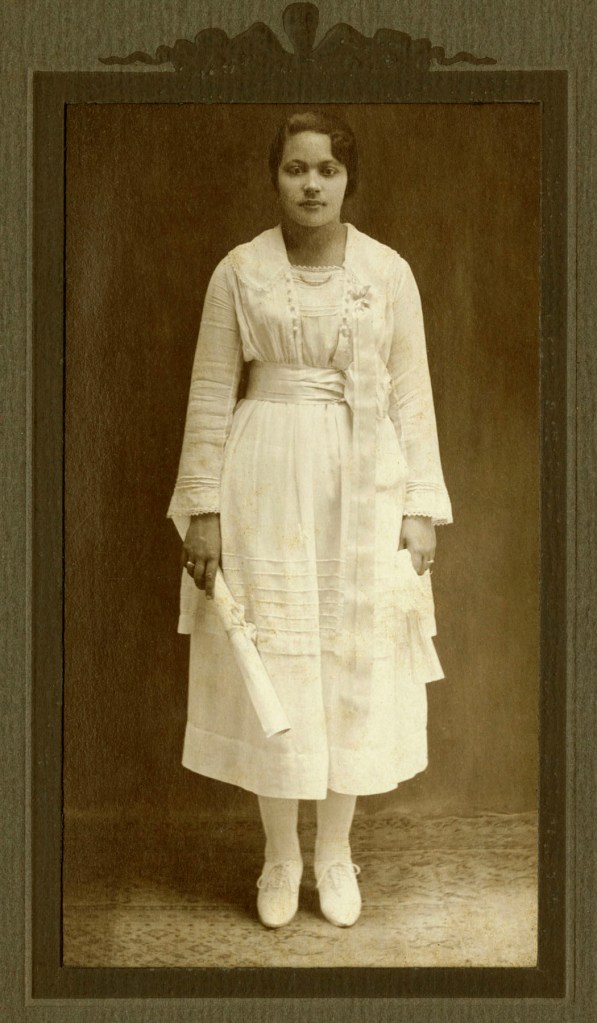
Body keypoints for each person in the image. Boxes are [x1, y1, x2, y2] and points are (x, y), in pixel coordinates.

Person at [167, 110, 452, 930]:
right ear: (275, 176)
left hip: (362, 480)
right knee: (280, 664)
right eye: (296, 168)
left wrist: (419, 509)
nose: (312, 183)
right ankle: (279, 855)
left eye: (326, 169)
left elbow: (412, 396)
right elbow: (210, 393)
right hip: (265, 479)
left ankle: (333, 851)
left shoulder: (388, 272)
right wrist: (204, 512)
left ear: (347, 179)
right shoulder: (239, 271)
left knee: (351, 659)